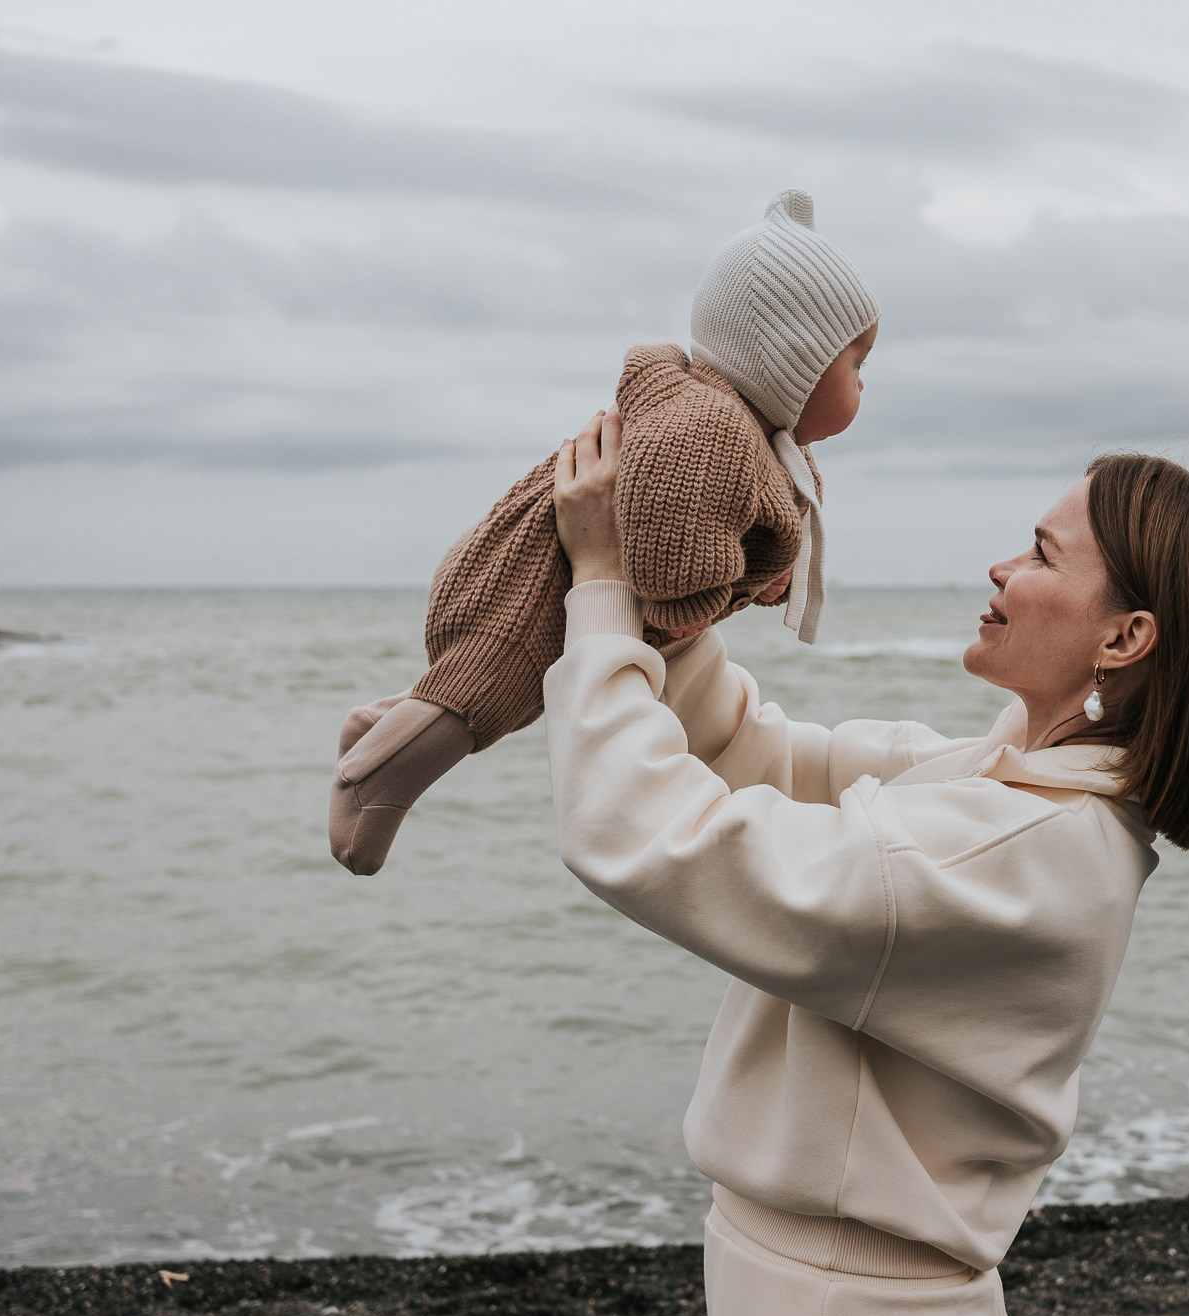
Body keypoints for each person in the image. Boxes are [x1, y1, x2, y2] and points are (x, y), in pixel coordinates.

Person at [547, 408, 1189, 1316]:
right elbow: (751, 755)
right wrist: (692, 592)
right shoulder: (1005, 784)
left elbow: (646, 834)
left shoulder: (1016, 844)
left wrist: (602, 591)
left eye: (1041, 552)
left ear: (1125, 636)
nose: (1000, 567)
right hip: (828, 1311)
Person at [329, 189, 878, 875]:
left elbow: (763, 524)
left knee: (523, 700)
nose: (865, 384)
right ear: (791, 359)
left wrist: (766, 579)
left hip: (575, 581)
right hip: (527, 581)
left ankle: (381, 728)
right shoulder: (710, 429)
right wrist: (693, 607)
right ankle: (373, 787)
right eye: (856, 365)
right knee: (489, 692)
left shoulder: (765, 446)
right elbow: (670, 552)